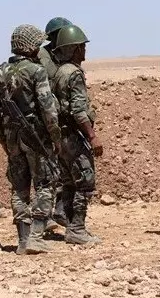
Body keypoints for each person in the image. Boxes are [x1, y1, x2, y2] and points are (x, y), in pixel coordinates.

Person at [0, 24, 62, 255]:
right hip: (36, 136)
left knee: (19, 187)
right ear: (30, 47)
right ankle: (36, 236)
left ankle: (22, 239)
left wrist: (1, 137)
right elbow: (48, 109)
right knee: (45, 183)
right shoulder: (36, 71)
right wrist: (55, 137)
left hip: (12, 137)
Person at [50, 24, 103, 245]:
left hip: (60, 135)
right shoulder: (74, 73)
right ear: (73, 49)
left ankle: (72, 227)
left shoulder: (59, 72)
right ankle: (77, 228)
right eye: (81, 46)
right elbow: (79, 111)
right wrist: (92, 136)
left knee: (69, 181)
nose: (84, 50)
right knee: (85, 180)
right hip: (73, 134)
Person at [39, 16, 73, 227]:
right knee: (47, 169)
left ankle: (59, 210)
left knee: (62, 166)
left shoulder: (59, 56)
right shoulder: (43, 57)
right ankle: (45, 216)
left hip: (58, 118)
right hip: (46, 118)